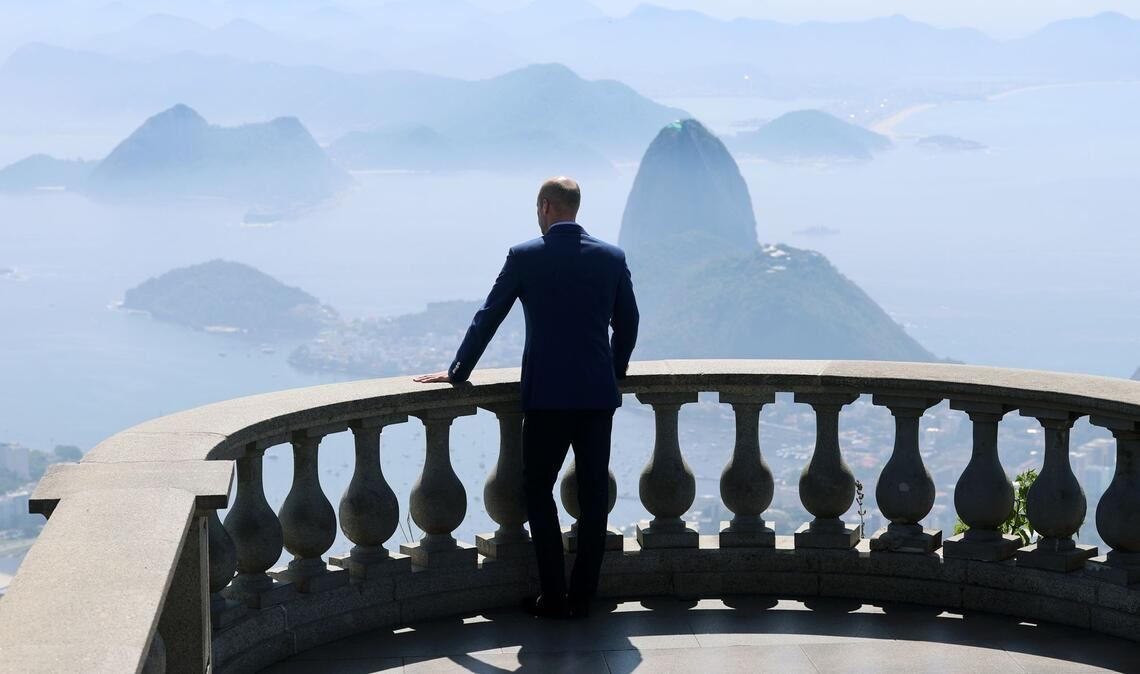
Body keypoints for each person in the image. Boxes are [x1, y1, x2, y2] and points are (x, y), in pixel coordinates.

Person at [414, 176, 639, 619]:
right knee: (594, 497)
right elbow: (628, 324)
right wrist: (612, 373)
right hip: (597, 397)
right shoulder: (612, 258)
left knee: (537, 490)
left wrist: (458, 371)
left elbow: (489, 316)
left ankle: (553, 595)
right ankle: (584, 597)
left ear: (545, 207)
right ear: (575, 207)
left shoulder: (525, 257)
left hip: (547, 397)